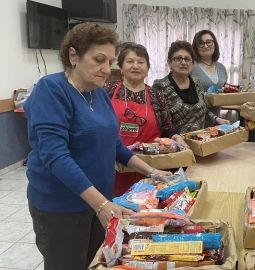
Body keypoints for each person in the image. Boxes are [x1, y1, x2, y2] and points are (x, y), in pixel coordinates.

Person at [23, 23, 171, 270]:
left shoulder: (99, 93)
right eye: (98, 60)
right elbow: (55, 156)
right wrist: (100, 203)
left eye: (110, 61)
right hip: (62, 207)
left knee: (94, 262)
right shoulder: (51, 90)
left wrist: (152, 172)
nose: (106, 69)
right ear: (73, 56)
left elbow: (115, 146)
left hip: (101, 201)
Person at [104, 42, 189, 196]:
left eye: (141, 62)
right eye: (130, 61)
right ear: (121, 68)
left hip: (150, 168)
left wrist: (177, 138)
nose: (136, 66)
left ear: (148, 68)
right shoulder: (107, 90)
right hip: (113, 165)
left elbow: (167, 127)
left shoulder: (156, 95)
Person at [152, 40, 230, 134]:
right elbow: (158, 122)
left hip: (200, 141)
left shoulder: (196, 83)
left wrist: (217, 119)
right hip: (174, 145)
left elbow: (204, 110)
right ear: (169, 62)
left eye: (187, 59)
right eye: (178, 58)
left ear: (192, 64)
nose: (183, 62)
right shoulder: (160, 86)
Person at [190, 30, 229, 125]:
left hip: (217, 120)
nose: (206, 46)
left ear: (214, 44)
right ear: (196, 47)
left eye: (209, 42)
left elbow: (224, 91)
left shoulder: (221, 68)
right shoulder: (191, 66)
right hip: (195, 121)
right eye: (201, 43)